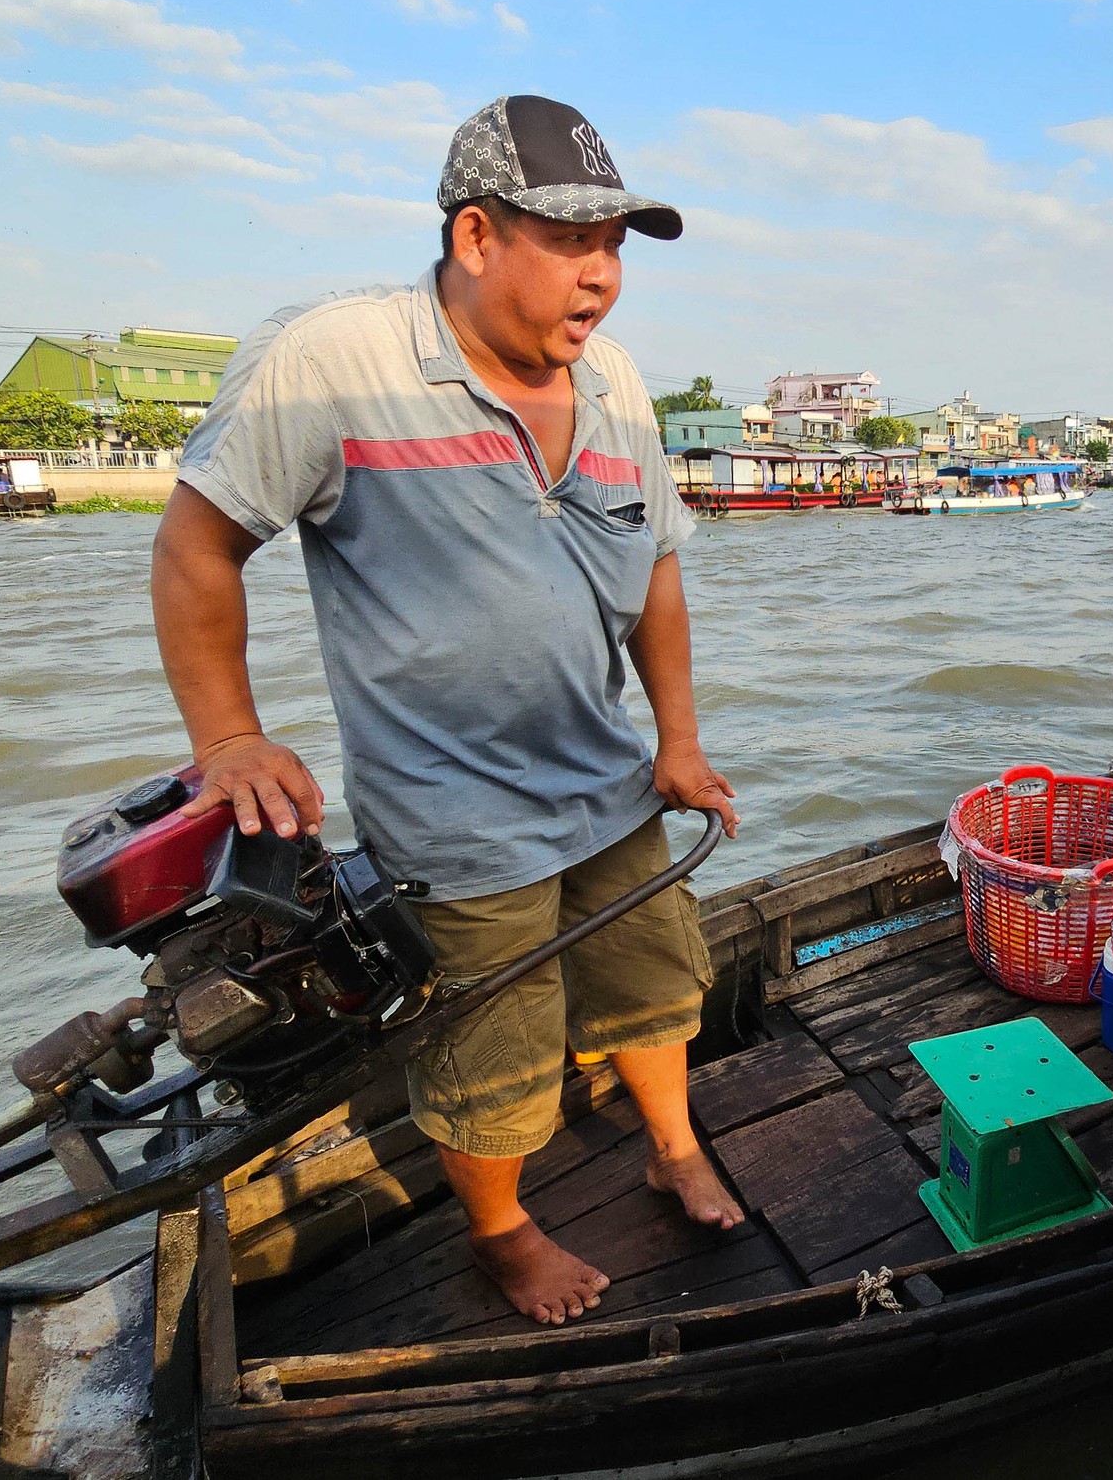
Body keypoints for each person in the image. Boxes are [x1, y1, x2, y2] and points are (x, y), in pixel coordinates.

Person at [150, 95, 745, 1328]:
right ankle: (499, 1229)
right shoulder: (332, 361)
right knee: (495, 1043)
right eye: (573, 244)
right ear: (475, 238)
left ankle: (673, 1144)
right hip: (453, 811)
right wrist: (228, 739)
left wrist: (678, 744)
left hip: (612, 780)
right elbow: (196, 549)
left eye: (617, 246)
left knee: (653, 983)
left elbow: (660, 573)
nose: (603, 280)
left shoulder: (616, 380)